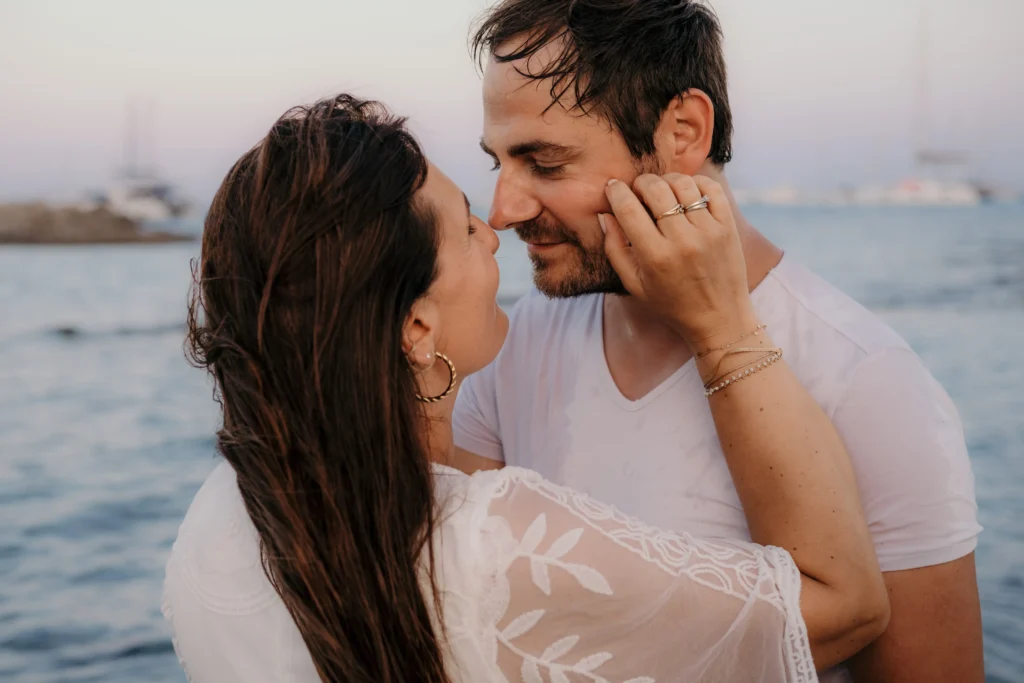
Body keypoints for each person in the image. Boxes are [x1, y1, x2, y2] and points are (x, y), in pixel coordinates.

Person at [162, 95, 889, 683]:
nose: (497, 225)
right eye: (465, 227)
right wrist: (724, 323)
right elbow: (844, 607)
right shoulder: (491, 546)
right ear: (416, 328)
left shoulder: (216, 521)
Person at [454, 1, 984, 682]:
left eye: (545, 164)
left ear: (683, 132)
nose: (504, 209)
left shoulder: (869, 381)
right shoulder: (520, 339)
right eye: (499, 162)